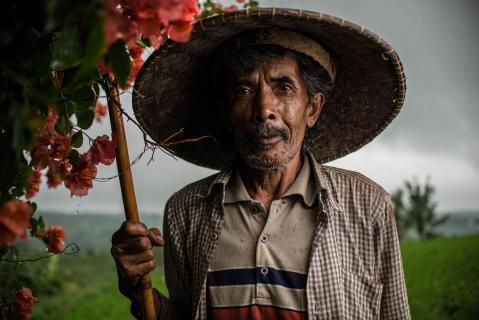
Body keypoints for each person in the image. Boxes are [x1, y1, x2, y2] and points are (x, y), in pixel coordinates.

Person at [111, 8, 410, 320]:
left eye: (283, 87)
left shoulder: (367, 206)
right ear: (226, 112)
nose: (264, 108)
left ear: (313, 109)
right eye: (244, 91)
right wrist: (137, 289)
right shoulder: (185, 211)